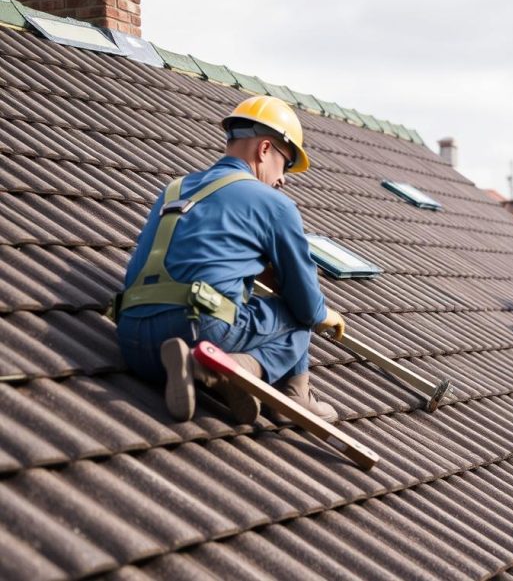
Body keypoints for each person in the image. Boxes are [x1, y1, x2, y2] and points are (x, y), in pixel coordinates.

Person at [113, 95, 345, 424]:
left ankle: (216, 373)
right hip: (197, 331)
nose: (283, 180)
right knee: (297, 316)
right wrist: (326, 314)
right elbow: (306, 304)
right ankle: (287, 394)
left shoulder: (174, 189)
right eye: (286, 163)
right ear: (265, 149)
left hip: (133, 341)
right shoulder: (274, 205)